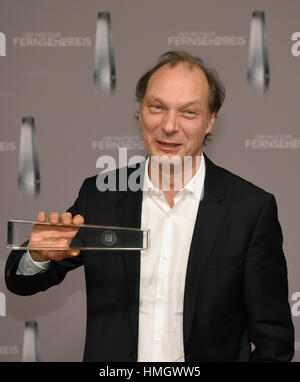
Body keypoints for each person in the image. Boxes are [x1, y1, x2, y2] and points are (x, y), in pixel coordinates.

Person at [5, 50, 294, 362]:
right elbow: (23, 283)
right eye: (157, 107)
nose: (169, 126)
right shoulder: (102, 196)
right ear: (140, 112)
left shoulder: (249, 209)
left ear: (211, 120)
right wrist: (36, 255)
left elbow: (273, 341)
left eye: (188, 113)